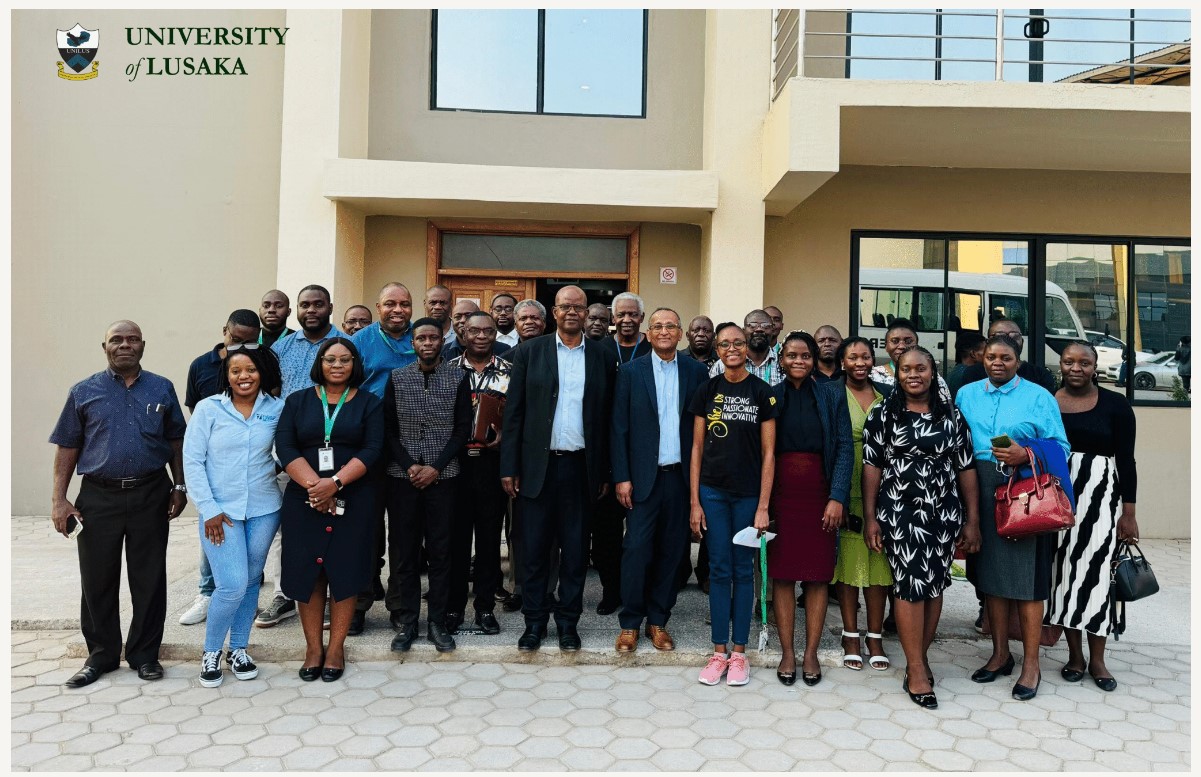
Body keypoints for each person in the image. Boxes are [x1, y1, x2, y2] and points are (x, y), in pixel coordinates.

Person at [50, 320, 188, 687]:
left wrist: (181, 486)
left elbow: (176, 439)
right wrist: (59, 500)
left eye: (132, 339)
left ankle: (145, 655)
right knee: (97, 579)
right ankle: (102, 656)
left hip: (150, 492)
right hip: (98, 496)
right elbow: (68, 445)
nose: (124, 344)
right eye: (117, 339)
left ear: (143, 345)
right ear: (104, 346)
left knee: (149, 577)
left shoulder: (162, 387)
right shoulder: (83, 391)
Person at [863, 346, 981, 709]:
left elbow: (966, 468)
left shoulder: (952, 415)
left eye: (921, 369)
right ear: (896, 375)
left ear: (933, 373)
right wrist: (870, 518)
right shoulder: (883, 414)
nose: (913, 375)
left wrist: (972, 519)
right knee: (910, 585)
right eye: (905, 369)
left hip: (943, 513)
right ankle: (915, 668)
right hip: (900, 513)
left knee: (934, 585)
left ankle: (922, 656)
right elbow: (871, 467)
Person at [500, 285, 616, 652]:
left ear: (587, 313)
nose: (571, 312)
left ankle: (568, 623)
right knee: (534, 552)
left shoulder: (601, 355)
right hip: (537, 469)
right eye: (565, 306)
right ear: (554, 311)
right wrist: (509, 467)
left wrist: (605, 472)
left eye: (578, 307)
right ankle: (534, 623)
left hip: (581, 469)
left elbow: (608, 417)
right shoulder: (530, 352)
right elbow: (514, 413)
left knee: (575, 553)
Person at [956, 334, 1069, 701]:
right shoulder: (967, 394)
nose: (998, 362)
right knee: (991, 576)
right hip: (979, 485)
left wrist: (1027, 454)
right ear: (982, 360)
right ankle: (1000, 654)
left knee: (1027, 581)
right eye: (991, 357)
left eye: (1006, 357)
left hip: (1025, 490)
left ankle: (1031, 664)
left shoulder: (1039, 397)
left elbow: (1062, 448)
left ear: (1017, 361)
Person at [276, 337, 383, 681]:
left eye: (345, 360)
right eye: (330, 359)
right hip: (304, 500)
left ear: (355, 364)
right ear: (319, 363)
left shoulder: (370, 402)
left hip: (354, 497)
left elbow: (372, 448)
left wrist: (333, 484)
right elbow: (286, 445)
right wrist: (314, 487)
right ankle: (312, 649)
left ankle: (336, 649)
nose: (337, 366)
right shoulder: (297, 401)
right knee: (309, 571)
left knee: (345, 569)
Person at [183, 345, 284, 687]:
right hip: (219, 513)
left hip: (264, 508)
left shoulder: (276, 409)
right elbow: (192, 461)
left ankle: (238, 649)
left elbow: (287, 450)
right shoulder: (209, 409)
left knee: (252, 580)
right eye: (236, 371)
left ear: (262, 374)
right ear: (226, 375)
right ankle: (211, 651)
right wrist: (207, 509)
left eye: (251, 370)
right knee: (231, 584)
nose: (244, 376)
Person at [610, 308, 708, 652]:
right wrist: (621, 477)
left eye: (670, 325)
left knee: (673, 552)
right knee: (636, 549)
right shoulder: (631, 372)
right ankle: (630, 623)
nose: (664, 331)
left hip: (680, 479)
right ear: (647, 334)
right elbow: (618, 427)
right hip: (642, 481)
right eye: (657, 326)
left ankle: (658, 621)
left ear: (680, 333)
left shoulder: (697, 372)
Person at [688, 322, 778, 686]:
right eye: (724, 343)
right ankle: (718, 652)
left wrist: (763, 506)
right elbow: (695, 449)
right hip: (712, 492)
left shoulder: (763, 392)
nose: (732, 348)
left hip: (748, 496)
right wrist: (694, 502)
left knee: (744, 571)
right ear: (717, 349)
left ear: (746, 346)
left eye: (738, 342)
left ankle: (740, 654)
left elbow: (770, 453)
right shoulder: (706, 390)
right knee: (719, 570)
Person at [1046, 342, 1138, 692]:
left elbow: (1126, 461)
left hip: (1101, 501)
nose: (1076, 368)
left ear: (1095, 367)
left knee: (1098, 577)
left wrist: (1128, 514)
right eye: (1069, 361)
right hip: (1058, 498)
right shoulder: (1048, 402)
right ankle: (1075, 656)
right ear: (1061, 365)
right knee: (1064, 576)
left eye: (1084, 362)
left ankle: (1098, 659)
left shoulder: (1116, 404)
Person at [767, 331, 853, 687]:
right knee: (783, 573)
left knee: (818, 575)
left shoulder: (832, 395)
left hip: (820, 495)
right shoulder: (770, 397)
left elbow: (846, 448)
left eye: (805, 356)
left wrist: (837, 497)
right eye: (791, 355)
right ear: (781, 360)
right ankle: (788, 651)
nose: (798, 361)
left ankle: (811, 652)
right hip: (780, 496)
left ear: (814, 358)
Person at [258, 284, 346, 629]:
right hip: (291, 455)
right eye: (305, 305)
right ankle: (285, 594)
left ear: (330, 308)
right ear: (296, 310)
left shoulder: (343, 346)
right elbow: (272, 396)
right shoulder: (280, 348)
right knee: (290, 529)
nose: (311, 310)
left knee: (334, 527)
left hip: (338, 458)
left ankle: (330, 595)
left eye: (318, 304)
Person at [384, 318, 472, 652]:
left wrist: (435, 467)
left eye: (434, 337)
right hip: (402, 477)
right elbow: (389, 429)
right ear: (413, 343)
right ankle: (407, 621)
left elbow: (462, 429)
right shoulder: (398, 377)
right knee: (404, 551)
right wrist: (410, 465)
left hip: (444, 477)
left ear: (442, 341)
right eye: (421, 338)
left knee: (441, 550)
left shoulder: (456, 376)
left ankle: (437, 620)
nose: (427, 343)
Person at [179, 309, 263, 627]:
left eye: (249, 343)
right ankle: (207, 592)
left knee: (248, 548)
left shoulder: (261, 363)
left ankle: (242, 597)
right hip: (216, 467)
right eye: (235, 339)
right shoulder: (200, 366)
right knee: (213, 535)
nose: (241, 347)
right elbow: (195, 415)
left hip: (251, 472)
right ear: (224, 330)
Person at [349, 282, 418, 633]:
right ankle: (359, 605)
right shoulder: (360, 342)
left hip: (410, 446)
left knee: (404, 535)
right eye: (390, 303)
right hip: (370, 445)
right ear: (377, 307)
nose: (398, 310)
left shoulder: (420, 338)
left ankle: (400, 607)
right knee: (366, 530)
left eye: (404, 304)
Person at [446, 312, 512, 637]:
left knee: (488, 542)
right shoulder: (447, 371)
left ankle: (485, 608)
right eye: (474, 330)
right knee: (456, 541)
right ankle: (454, 608)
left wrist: (507, 438)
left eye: (488, 330)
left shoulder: (511, 372)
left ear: (495, 333)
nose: (481, 336)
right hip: (456, 465)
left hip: (492, 465)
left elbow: (521, 415)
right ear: (463, 333)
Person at [830, 336, 894, 673]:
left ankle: (876, 635)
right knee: (848, 562)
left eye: (865, 357)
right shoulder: (831, 394)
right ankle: (850, 634)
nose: (860, 362)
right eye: (852, 357)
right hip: (844, 484)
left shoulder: (887, 397)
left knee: (879, 563)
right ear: (842, 362)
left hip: (882, 490)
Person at [594, 292, 653, 614]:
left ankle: (640, 591)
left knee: (643, 534)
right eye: (621, 314)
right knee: (606, 533)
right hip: (607, 453)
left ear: (641, 318)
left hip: (644, 453)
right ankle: (611, 590)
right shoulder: (600, 349)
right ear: (613, 318)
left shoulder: (652, 349)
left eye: (633, 314)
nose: (627, 319)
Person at [958, 319, 1056, 393]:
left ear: (1022, 341)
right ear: (987, 343)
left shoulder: (1040, 376)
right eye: (999, 336)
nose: (1007, 342)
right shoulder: (972, 375)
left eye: (1014, 337)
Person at [870, 319, 952, 402]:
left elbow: (945, 407)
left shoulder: (932, 377)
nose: (901, 346)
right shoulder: (873, 376)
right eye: (895, 341)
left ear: (916, 345)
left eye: (908, 341)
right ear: (886, 346)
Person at [708, 310, 782, 386]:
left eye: (765, 326)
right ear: (743, 331)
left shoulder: (782, 364)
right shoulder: (722, 365)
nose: (759, 329)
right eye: (752, 326)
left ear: (772, 330)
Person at [947, 331, 986, 398]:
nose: (989, 354)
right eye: (985, 351)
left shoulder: (954, 372)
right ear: (973, 354)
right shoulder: (974, 374)